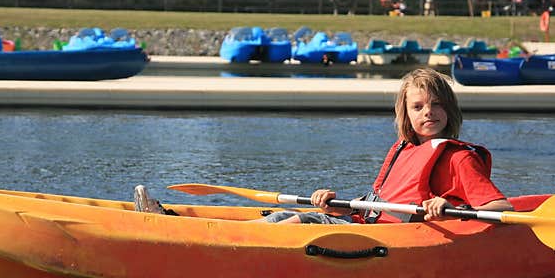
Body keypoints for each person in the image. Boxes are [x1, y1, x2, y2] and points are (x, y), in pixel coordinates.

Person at [133, 68, 513, 224]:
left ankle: (180, 237)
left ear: (450, 108)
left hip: (396, 243)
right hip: (370, 228)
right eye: (418, 106)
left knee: (297, 222)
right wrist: (337, 204)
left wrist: (446, 206)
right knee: (274, 217)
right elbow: (377, 207)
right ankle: (172, 222)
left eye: (436, 104)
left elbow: (500, 209)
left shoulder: (459, 158)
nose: (428, 112)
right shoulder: (403, 149)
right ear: (405, 114)